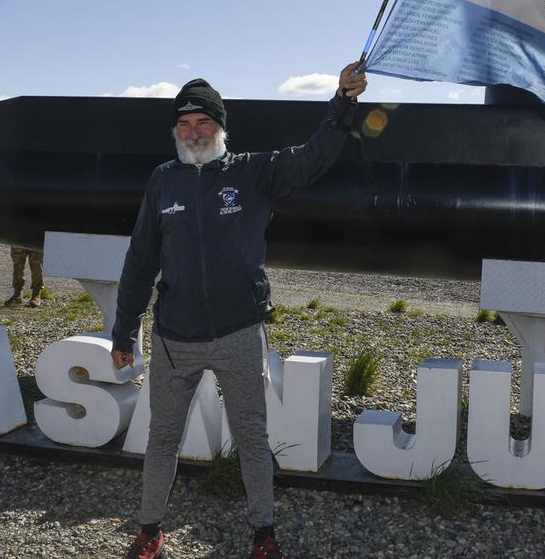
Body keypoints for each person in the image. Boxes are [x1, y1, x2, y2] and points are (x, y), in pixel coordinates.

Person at [112, 61, 367, 559]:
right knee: (161, 439)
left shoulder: (254, 171)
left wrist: (343, 100)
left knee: (252, 437)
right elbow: (140, 259)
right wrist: (124, 333)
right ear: (175, 132)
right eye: (184, 124)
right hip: (173, 340)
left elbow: (315, 157)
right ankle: (149, 530)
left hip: (238, 334)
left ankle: (263, 532)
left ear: (221, 126)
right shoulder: (163, 181)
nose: (194, 132)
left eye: (204, 122)